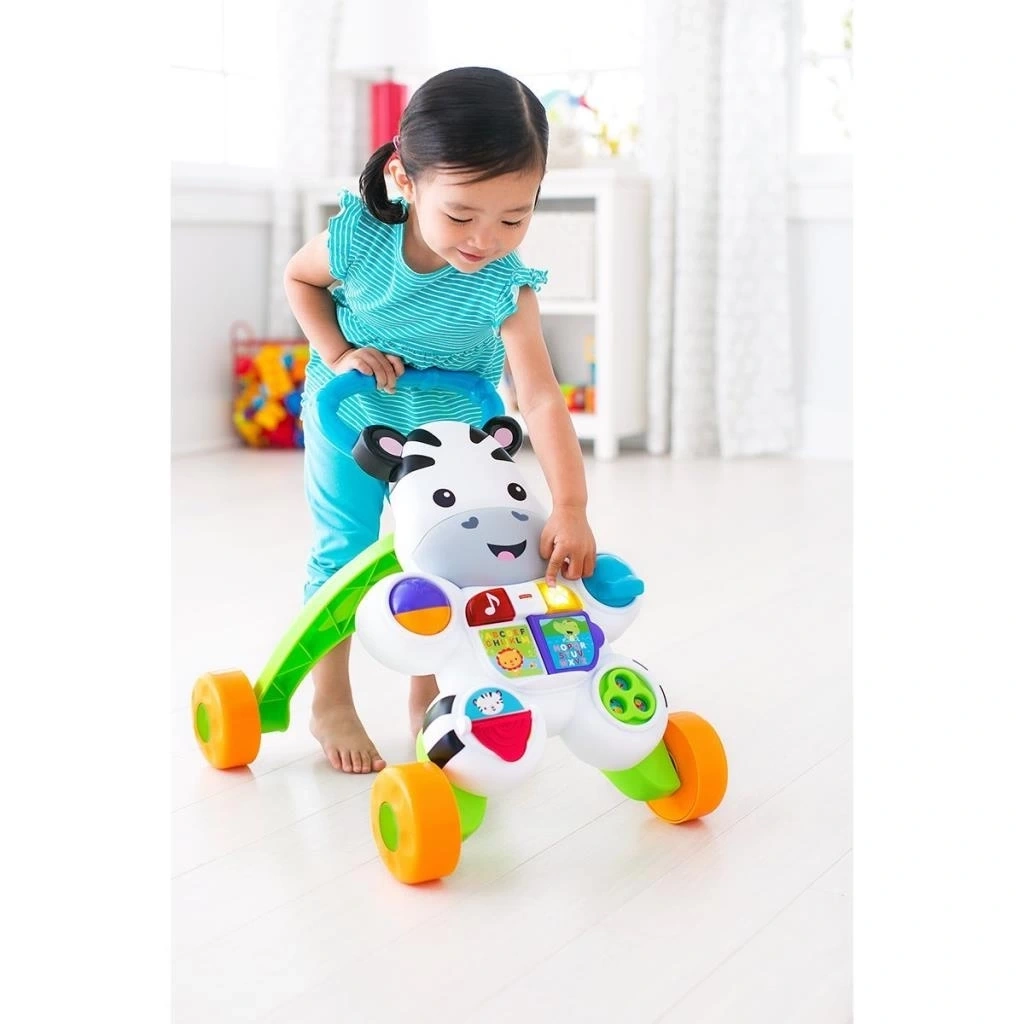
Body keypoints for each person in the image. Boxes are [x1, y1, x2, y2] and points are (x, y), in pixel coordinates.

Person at [283, 66, 597, 773]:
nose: (485, 239)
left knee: (449, 558)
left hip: (453, 433)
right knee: (344, 550)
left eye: (513, 218)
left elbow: (540, 397)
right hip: (351, 411)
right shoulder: (360, 241)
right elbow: (300, 279)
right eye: (461, 215)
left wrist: (571, 506)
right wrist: (337, 351)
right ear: (405, 178)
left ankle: (433, 691)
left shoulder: (506, 285)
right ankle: (330, 697)